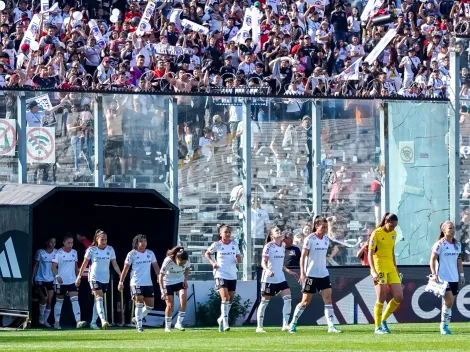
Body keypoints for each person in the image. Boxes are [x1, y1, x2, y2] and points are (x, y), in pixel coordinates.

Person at [289, 216, 342, 333]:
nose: (324, 229)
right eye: (322, 227)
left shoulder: (326, 240)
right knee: (305, 301)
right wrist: (302, 273)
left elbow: (326, 256)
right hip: (311, 275)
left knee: (328, 299)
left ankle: (331, 326)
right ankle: (293, 323)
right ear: (316, 226)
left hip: (323, 274)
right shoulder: (310, 239)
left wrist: (332, 254)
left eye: (326, 227)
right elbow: (303, 257)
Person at [75, 230, 122, 330]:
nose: (104, 241)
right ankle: (103, 320)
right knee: (99, 297)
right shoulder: (91, 250)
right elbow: (84, 264)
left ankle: (93, 322)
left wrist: (120, 274)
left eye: (105, 239)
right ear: (97, 239)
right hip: (94, 277)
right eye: (102, 239)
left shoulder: (110, 249)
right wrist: (79, 277)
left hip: (105, 278)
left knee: (98, 300)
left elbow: (114, 264)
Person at [256, 227, 298, 333]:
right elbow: (263, 262)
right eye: (276, 231)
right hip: (269, 279)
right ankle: (259, 327)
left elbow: (280, 264)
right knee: (264, 302)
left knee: (288, 299)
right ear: (272, 235)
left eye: (280, 230)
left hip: (280, 278)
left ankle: (285, 325)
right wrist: (267, 270)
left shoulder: (283, 246)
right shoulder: (268, 246)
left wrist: (289, 271)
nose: (279, 232)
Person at [368, 213, 403, 334]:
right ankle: (377, 327)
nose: (393, 228)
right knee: (381, 296)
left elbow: (392, 252)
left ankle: (383, 320)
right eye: (392, 225)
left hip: (390, 267)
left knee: (399, 296)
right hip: (379, 267)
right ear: (386, 222)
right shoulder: (376, 233)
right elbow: (370, 253)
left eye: (395, 226)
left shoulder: (393, 234)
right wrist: (373, 270)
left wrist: (396, 268)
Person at [118, 234, 161, 332]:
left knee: (150, 306)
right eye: (141, 241)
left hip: (148, 283)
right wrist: (121, 281)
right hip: (136, 282)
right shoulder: (132, 254)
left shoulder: (150, 253)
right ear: (136, 243)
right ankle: (140, 326)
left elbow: (155, 266)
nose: (144, 243)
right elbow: (125, 269)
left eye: (145, 241)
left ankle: (137, 318)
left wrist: (159, 276)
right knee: (139, 302)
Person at [430, 221, 465, 335]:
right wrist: (434, 274)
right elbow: (432, 260)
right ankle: (443, 327)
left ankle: (445, 325)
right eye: (450, 228)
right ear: (444, 230)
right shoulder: (440, 244)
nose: (453, 230)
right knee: (449, 301)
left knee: (449, 303)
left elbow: (459, 261)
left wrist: (461, 275)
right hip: (443, 278)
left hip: (454, 277)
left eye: (453, 228)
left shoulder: (458, 245)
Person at [205, 224, 241, 332]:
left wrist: (238, 259)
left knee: (230, 299)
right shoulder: (217, 245)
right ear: (220, 234)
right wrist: (213, 263)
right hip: (220, 274)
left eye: (229, 232)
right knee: (225, 298)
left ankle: (221, 319)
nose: (228, 234)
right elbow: (207, 253)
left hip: (232, 274)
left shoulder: (234, 244)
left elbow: (238, 255)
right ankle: (226, 323)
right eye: (225, 232)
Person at [51, 234, 87, 329]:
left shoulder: (74, 252)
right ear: (64, 242)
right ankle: (57, 322)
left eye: (72, 243)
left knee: (75, 300)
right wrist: (57, 276)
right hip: (61, 282)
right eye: (68, 243)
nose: (70, 245)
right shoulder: (58, 253)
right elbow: (53, 267)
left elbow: (75, 266)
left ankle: (78, 321)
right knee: (59, 302)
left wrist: (78, 277)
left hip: (72, 281)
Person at [159, 246, 191, 332]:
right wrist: (162, 291)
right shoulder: (168, 261)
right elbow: (160, 276)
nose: (182, 265)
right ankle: (167, 326)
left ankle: (178, 323)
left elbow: (188, 269)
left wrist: (185, 279)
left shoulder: (186, 261)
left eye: (183, 263)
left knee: (184, 299)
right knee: (170, 305)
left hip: (180, 281)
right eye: (180, 263)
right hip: (168, 283)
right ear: (176, 258)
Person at [32, 235, 58, 327]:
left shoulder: (56, 252)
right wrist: (32, 278)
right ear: (47, 242)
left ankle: (45, 321)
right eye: (51, 242)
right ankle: (41, 316)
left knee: (50, 301)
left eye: (54, 242)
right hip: (40, 279)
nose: (53, 244)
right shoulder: (40, 252)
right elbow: (35, 266)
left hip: (51, 279)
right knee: (44, 298)